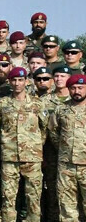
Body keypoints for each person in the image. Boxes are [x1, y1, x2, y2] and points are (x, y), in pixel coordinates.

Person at [0, 67, 46, 222]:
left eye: (20, 80)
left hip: (32, 158)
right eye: (14, 80)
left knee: (33, 198)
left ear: (26, 81)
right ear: (9, 81)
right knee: (8, 198)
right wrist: (5, 142)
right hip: (9, 157)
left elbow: (45, 129)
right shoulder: (2, 103)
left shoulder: (38, 104)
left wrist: (35, 144)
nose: (17, 83)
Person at [48, 73, 86, 222]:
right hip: (66, 166)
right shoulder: (61, 109)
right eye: (73, 88)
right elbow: (53, 131)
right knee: (66, 207)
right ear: (69, 89)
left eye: (81, 88)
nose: (77, 91)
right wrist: (64, 148)